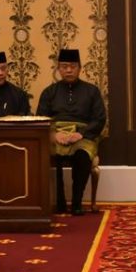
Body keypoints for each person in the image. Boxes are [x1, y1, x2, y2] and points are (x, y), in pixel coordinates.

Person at [36, 49, 107, 216]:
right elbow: (40, 118)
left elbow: (99, 118)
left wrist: (81, 134)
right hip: (55, 135)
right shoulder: (49, 92)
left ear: (80, 68)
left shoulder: (92, 91)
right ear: (58, 69)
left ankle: (76, 203)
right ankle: (55, 202)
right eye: (64, 66)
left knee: (82, 155)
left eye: (73, 66)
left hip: (82, 135)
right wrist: (53, 135)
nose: (69, 70)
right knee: (46, 155)